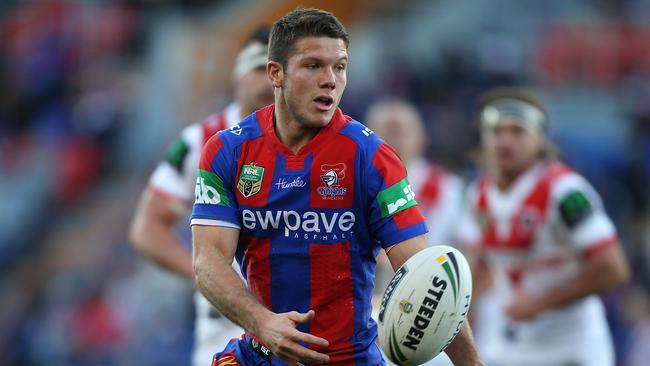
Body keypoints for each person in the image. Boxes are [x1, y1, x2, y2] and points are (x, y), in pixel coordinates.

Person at [191, 8, 483, 366]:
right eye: (313, 66)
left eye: (339, 67)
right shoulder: (228, 152)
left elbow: (428, 279)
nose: (330, 80)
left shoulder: (371, 158)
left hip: (347, 359)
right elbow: (208, 260)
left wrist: (471, 363)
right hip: (262, 350)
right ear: (276, 73)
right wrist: (264, 324)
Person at [129, 27, 274, 366]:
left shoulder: (317, 140)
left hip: (299, 314)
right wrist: (203, 275)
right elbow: (147, 227)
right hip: (228, 326)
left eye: (278, 69)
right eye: (259, 68)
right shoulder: (202, 139)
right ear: (237, 75)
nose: (269, 81)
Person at [458, 86, 630, 366]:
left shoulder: (565, 191)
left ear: (539, 139)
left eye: (517, 132)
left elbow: (613, 268)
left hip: (572, 347)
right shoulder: (477, 194)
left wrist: (540, 303)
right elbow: (481, 264)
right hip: (512, 344)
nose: (504, 141)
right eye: (496, 131)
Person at [365, 99, 464, 366]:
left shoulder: (451, 189)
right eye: (386, 130)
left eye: (402, 131)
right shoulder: (353, 187)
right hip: (369, 316)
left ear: (421, 139)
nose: (394, 139)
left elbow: (472, 253)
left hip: (434, 313)